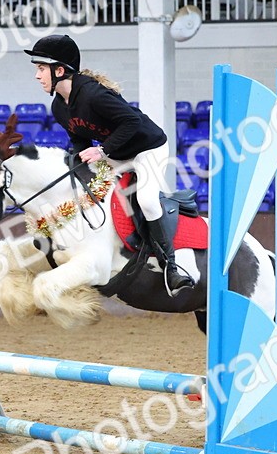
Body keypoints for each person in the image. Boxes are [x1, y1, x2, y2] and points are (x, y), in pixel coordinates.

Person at [24, 34, 193, 294]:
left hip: (148, 148)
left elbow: (131, 122)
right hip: (115, 153)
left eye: (41, 68)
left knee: (147, 200)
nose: (37, 75)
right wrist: (80, 164)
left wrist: (102, 150)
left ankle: (171, 266)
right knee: (86, 193)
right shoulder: (59, 106)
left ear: (59, 70)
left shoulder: (93, 94)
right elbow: (78, 139)